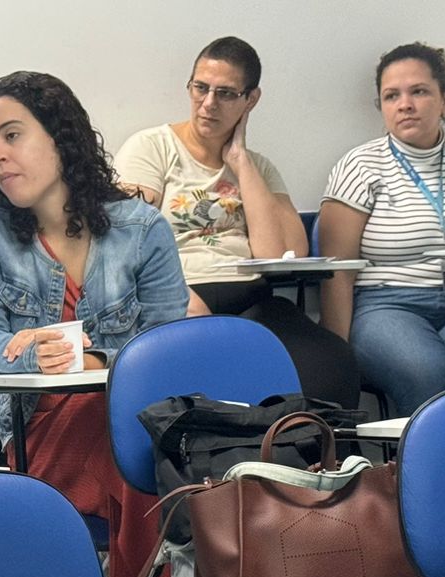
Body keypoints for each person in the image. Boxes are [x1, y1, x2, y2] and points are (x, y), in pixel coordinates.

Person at [0, 71, 189, 577]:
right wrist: (35, 354)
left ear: (60, 138)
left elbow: (169, 351)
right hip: (38, 427)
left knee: (124, 436)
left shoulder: (143, 228)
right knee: (126, 449)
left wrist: (104, 364)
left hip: (130, 423)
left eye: (12, 135)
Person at [116, 36, 359, 407]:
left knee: (328, 361)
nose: (208, 104)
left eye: (226, 94)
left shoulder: (258, 168)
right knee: (218, 374)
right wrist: (172, 294)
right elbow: (125, 238)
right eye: (201, 88)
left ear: (251, 100)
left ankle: (319, 461)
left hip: (251, 299)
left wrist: (240, 160)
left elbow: (283, 253)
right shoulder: (152, 148)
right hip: (177, 294)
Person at [319, 42, 445, 415]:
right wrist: (338, 357)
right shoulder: (361, 166)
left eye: (419, 92)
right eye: (391, 96)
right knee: (429, 376)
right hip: (388, 307)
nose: (405, 104)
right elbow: (336, 271)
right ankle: (438, 473)